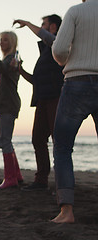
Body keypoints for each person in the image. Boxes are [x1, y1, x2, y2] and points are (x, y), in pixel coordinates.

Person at [51, 0, 98, 224]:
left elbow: (59, 49)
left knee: (62, 147)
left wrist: (66, 61)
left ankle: (66, 211)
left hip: (77, 82)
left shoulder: (76, 11)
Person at [12, 15, 64, 191]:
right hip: (42, 99)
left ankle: (61, 183)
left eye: (44, 25)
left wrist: (27, 24)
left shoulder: (58, 46)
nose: (41, 28)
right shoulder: (46, 52)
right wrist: (21, 71)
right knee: (38, 139)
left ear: (54, 27)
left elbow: (45, 36)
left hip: (55, 98)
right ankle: (41, 180)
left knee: (58, 141)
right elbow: (37, 80)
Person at [0, 31, 23, 189]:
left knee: (4, 140)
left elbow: (4, 71)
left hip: (8, 104)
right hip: (7, 103)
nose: (1, 43)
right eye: (1, 40)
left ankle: (10, 178)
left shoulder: (12, 59)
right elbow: (2, 80)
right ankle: (17, 176)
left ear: (12, 42)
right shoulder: (8, 59)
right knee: (6, 140)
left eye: (5, 40)